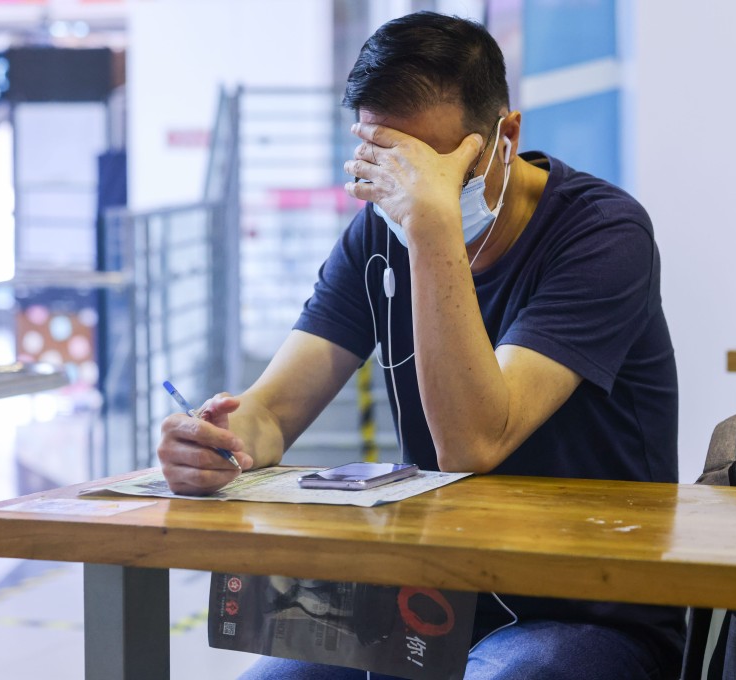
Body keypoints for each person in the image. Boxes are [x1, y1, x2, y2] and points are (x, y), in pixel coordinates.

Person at [157, 11, 683, 680]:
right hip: (436, 599)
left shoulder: (603, 235)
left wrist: (432, 226)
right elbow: (271, 412)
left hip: (594, 609)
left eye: (437, 172)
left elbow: (474, 442)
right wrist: (218, 443)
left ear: (505, 138)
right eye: (390, 168)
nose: (411, 195)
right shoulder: (378, 234)